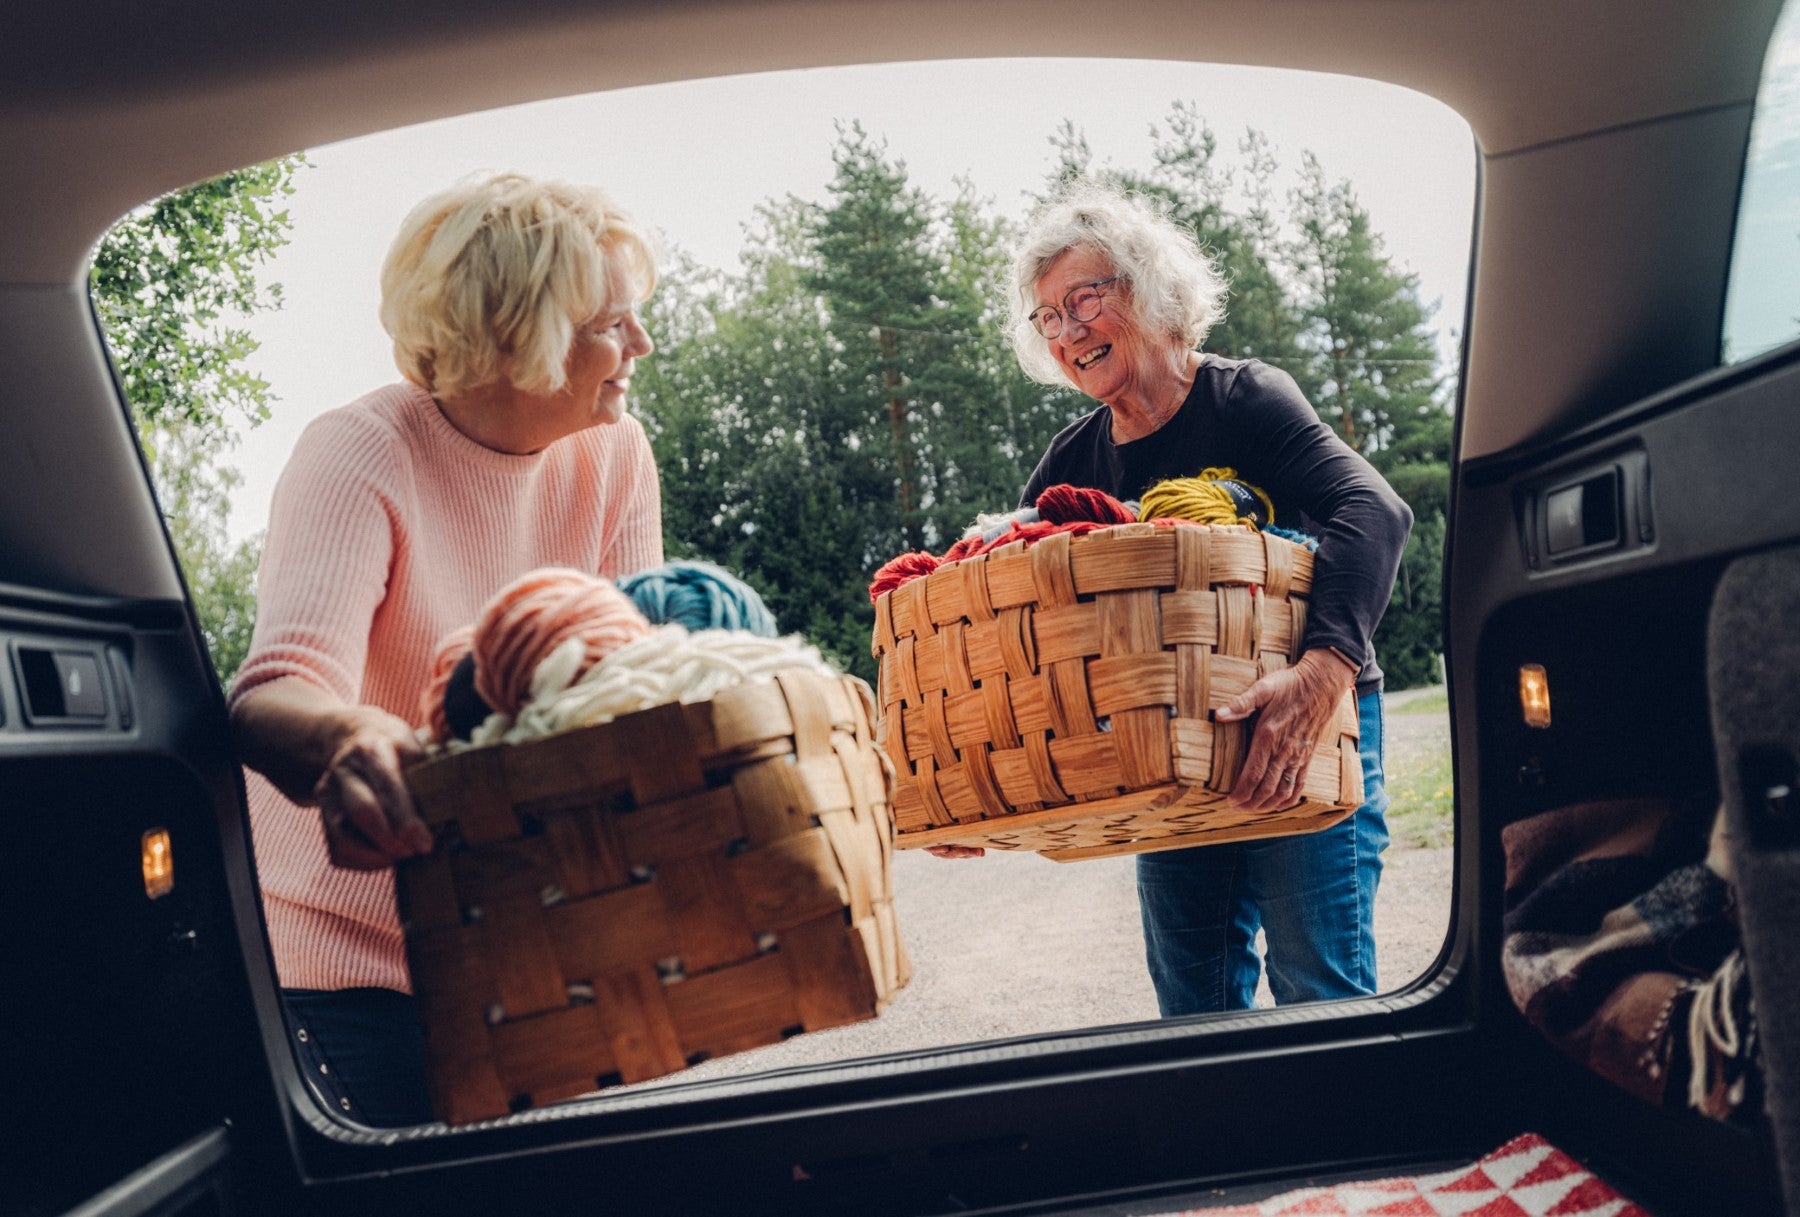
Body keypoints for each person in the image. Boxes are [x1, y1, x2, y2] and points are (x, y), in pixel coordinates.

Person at [229, 172, 664, 1123]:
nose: (640, 344)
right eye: (611, 323)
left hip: (538, 952)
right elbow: (275, 690)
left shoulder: (615, 451)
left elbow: (629, 684)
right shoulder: (358, 452)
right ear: (518, 336)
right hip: (348, 976)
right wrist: (349, 739)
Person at [935, 180, 1411, 1017]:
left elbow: (1375, 509)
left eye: (1084, 297)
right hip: (1170, 753)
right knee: (1193, 1007)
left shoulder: (1245, 399)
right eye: (1047, 316)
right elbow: (1022, 628)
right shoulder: (1070, 462)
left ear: (1150, 290)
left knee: (1321, 991)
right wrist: (973, 788)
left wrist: (1321, 674)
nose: (1068, 328)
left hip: (1306, 721)